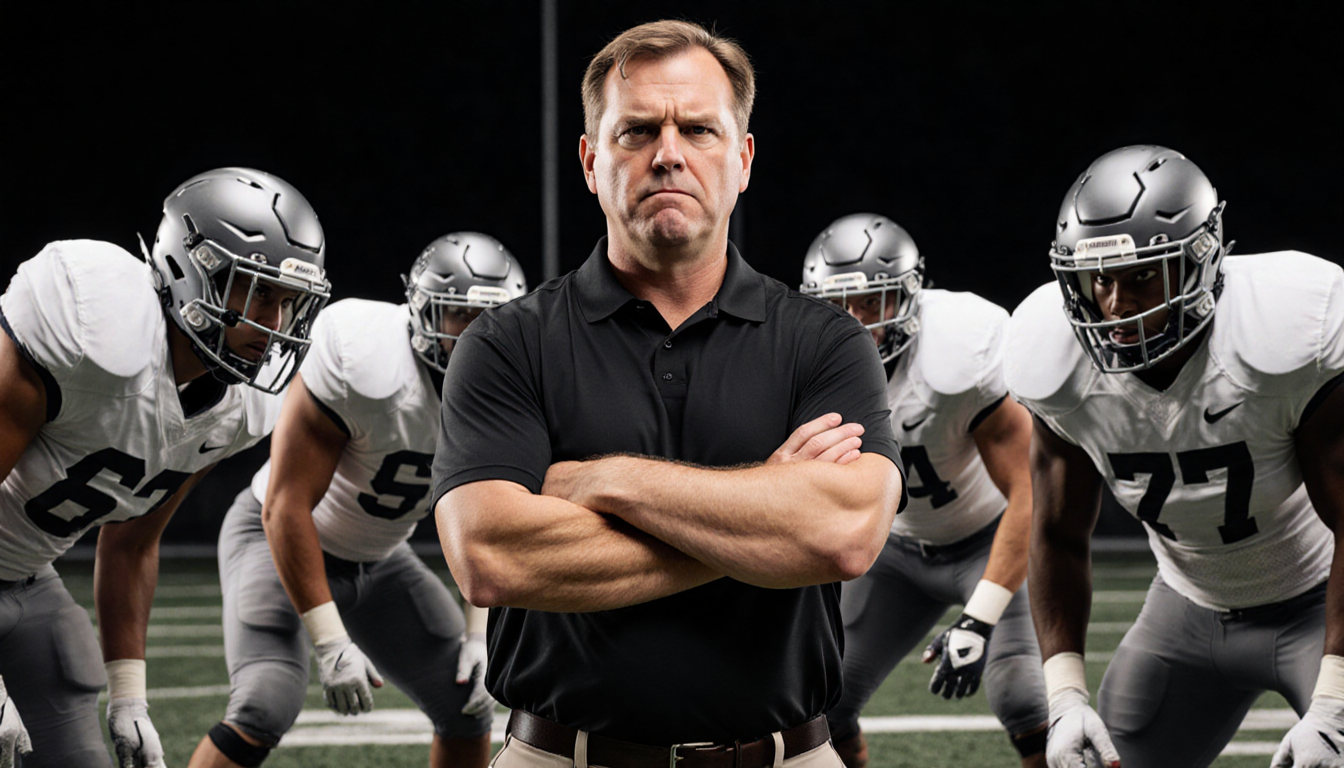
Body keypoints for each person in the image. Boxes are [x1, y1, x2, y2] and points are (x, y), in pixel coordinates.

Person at [432, 19, 906, 768]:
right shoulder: (505, 343)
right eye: (637, 131)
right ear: (591, 161)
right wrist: (767, 520)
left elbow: (841, 536)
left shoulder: (826, 341)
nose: (669, 154)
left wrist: (601, 479)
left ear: (743, 159)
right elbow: (492, 558)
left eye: (699, 129)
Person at [1004, 145, 1344, 768]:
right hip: (1186, 609)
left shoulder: (1290, 328)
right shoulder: (1053, 360)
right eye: (1098, 279)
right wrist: (1065, 695)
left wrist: (1336, 703)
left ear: (1203, 260)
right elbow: (1055, 531)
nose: (1115, 304)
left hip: (1319, 601)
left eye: (1140, 276)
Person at [0, 167, 330, 768]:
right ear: (190, 268)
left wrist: (129, 696)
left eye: (288, 302)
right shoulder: (90, 331)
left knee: (72, 705)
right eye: (256, 291)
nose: (274, 324)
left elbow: (131, 544)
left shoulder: (235, 409)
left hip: (24, 574)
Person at [187, 232, 528, 768]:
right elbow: (287, 503)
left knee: (467, 699)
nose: (475, 333)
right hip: (276, 537)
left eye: (489, 317)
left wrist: (479, 636)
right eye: (457, 314)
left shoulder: (511, 390)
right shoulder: (363, 356)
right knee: (265, 703)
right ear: (420, 310)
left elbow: (490, 520)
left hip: (380, 557)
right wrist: (329, 642)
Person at [800, 213, 1048, 767]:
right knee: (821, 697)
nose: (855, 322)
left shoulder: (958, 353)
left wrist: (980, 617)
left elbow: (1030, 489)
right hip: (894, 549)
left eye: (872, 303)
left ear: (910, 297)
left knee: (1025, 699)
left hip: (987, 539)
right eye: (837, 306)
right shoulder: (802, 364)